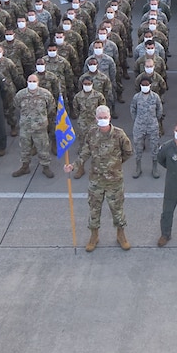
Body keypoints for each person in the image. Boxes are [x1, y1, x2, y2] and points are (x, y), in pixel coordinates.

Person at [64, 105, 132, 251]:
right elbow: (85, 152)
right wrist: (74, 166)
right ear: (96, 119)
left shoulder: (119, 134)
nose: (102, 120)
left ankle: (121, 235)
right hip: (96, 180)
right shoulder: (92, 133)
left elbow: (128, 152)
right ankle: (94, 236)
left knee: (117, 210)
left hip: (114, 180)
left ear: (109, 118)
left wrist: (115, 164)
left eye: (105, 118)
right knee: (94, 209)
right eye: (100, 118)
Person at [12, 74, 56, 178]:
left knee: (43, 148)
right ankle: (25, 166)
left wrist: (41, 118)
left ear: (38, 82)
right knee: (25, 148)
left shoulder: (45, 94)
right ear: (27, 82)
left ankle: (45, 167)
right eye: (30, 81)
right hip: (25, 127)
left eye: (34, 81)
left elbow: (51, 107)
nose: (32, 83)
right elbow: (16, 105)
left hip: (40, 127)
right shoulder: (21, 94)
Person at [130, 81, 164, 179]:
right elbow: (132, 109)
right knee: (138, 148)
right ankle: (138, 167)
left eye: (146, 85)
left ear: (150, 85)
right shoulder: (136, 97)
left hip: (152, 126)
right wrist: (137, 120)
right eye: (143, 85)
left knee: (154, 147)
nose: (145, 87)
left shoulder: (155, 97)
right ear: (140, 86)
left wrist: (154, 119)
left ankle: (154, 168)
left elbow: (159, 110)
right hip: (139, 126)